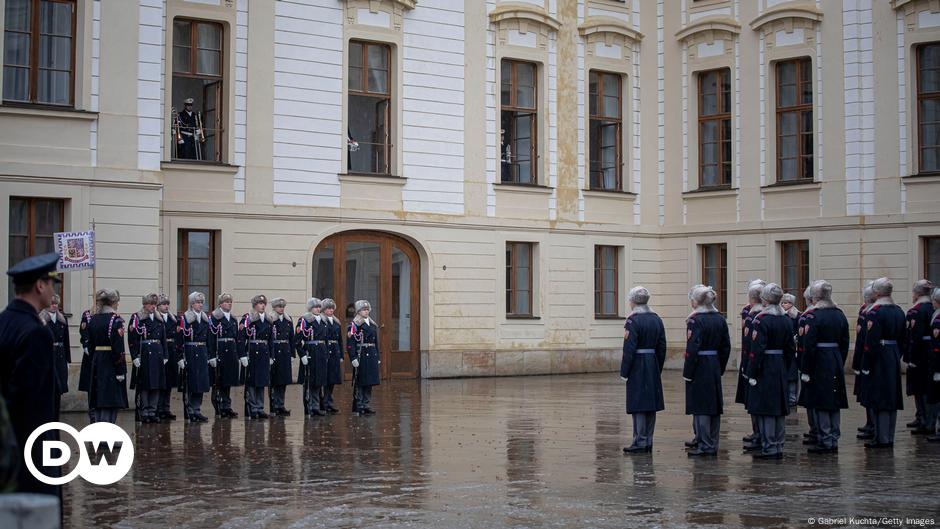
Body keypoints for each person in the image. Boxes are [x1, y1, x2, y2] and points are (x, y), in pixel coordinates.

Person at [0, 253, 61, 497]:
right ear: (40, 285)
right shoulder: (37, 333)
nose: (53, 291)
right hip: (31, 448)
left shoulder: (3, 321)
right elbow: (31, 402)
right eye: (52, 284)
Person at [800, 280, 850, 454]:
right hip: (835, 358)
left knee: (821, 400)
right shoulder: (839, 314)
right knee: (834, 401)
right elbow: (845, 342)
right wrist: (839, 359)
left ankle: (825, 438)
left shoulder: (815, 316)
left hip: (820, 361)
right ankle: (833, 437)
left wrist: (806, 369)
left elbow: (810, 345)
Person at [745, 283, 794, 459]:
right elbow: (790, 349)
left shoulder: (761, 320)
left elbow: (756, 349)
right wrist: (785, 367)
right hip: (780, 364)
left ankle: (769, 446)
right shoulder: (786, 319)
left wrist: (752, 372)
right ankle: (778, 444)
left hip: (765, 366)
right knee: (779, 408)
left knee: (765, 408)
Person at [683, 285, 731, 457]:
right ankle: (712, 442)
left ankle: (705, 444)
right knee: (714, 406)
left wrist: (687, 372)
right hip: (714, 364)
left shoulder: (696, 320)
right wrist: (720, 367)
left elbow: (692, 348)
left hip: (700, 365)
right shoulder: (720, 318)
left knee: (701, 405)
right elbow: (726, 346)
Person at [860, 277, 908, 448]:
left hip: (879, 356)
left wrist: (865, 364)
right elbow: (904, 338)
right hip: (893, 355)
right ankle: (889, 436)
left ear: (877, 292)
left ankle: (881, 437)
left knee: (879, 397)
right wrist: (896, 353)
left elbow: (870, 342)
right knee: (891, 398)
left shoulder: (875, 312)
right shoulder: (898, 310)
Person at [620, 286, 666, 454]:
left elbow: (629, 349)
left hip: (638, 364)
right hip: (652, 362)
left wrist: (625, 371)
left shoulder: (633, 321)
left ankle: (639, 440)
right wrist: (657, 366)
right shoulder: (656, 319)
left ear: (633, 301)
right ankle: (648, 439)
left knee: (638, 403)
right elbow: (662, 346)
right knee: (650, 404)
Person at [87, 288, 129, 424]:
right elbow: (118, 348)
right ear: (113, 302)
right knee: (110, 401)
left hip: (97, 360)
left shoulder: (93, 319)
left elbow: (90, 344)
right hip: (111, 362)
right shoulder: (115, 321)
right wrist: (120, 369)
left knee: (99, 399)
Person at [128, 293, 167, 423]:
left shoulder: (159, 318)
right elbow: (132, 339)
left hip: (157, 353)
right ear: (144, 304)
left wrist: (165, 355)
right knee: (145, 384)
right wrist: (134, 356)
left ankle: (152, 410)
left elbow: (163, 339)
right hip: (144, 353)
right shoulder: (137, 318)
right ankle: (144, 411)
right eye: (151, 304)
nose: (153, 307)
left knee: (156, 384)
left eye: (155, 304)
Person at [738, 279, 766, 449]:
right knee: (752, 399)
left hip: (757, 360)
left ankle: (762, 434)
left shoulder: (760, 316)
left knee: (759, 400)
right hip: (750, 358)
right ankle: (758, 432)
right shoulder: (748, 311)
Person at [905, 279, 935, 435]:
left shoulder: (916, 311)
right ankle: (922, 416)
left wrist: (910, 356)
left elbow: (914, 336)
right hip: (930, 353)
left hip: (920, 353)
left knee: (920, 387)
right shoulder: (932, 308)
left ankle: (924, 418)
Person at [179, 292, 211, 422]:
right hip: (190, 351)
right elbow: (180, 338)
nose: (200, 305)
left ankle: (197, 410)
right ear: (192, 304)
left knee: (201, 383)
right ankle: (189, 410)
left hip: (202, 351)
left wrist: (210, 355)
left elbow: (209, 338)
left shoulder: (204, 318)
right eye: (197, 302)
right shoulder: (185, 318)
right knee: (191, 383)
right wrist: (180, 356)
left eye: (202, 302)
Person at [208, 293, 241, 418]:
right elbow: (211, 338)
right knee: (219, 381)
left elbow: (236, 337)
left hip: (231, 351)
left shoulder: (233, 319)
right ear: (220, 303)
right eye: (226, 301)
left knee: (228, 381)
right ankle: (218, 406)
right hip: (220, 350)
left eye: (230, 301)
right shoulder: (215, 317)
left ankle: (227, 406)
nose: (229, 303)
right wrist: (211, 355)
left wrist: (238, 353)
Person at [241, 295, 273, 419]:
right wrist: (242, 355)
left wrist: (271, 355)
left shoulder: (268, 319)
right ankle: (252, 407)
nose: (263, 305)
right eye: (260, 303)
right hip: (253, 352)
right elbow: (241, 338)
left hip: (264, 352)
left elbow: (270, 339)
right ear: (254, 305)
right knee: (252, 382)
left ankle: (260, 407)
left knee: (262, 381)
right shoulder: (248, 319)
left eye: (264, 303)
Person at [853, 282, 877, 439]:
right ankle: (870, 422)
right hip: (862, 353)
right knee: (865, 392)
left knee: (872, 392)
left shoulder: (873, 312)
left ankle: (874, 424)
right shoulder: (864, 309)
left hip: (870, 355)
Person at [39, 293, 70, 410]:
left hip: (60, 355)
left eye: (56, 304)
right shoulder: (40, 318)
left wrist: (68, 360)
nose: (54, 306)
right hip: (47, 354)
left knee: (59, 387)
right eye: (52, 303)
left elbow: (66, 340)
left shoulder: (62, 319)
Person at [796, 286, 819, 446]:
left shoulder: (809, 317)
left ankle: (817, 430)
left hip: (812, 360)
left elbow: (806, 343)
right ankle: (817, 430)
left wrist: (803, 364)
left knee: (813, 398)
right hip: (829, 360)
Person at [348, 300, 379, 415]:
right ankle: (359, 404)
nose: (366, 312)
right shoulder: (355, 324)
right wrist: (353, 357)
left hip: (371, 354)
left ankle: (366, 403)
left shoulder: (372, 324)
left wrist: (378, 356)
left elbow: (376, 342)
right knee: (360, 381)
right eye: (363, 310)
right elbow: (350, 342)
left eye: (367, 309)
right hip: (361, 355)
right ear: (358, 311)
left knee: (369, 381)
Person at [296, 298, 326, 416]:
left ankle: (316, 405)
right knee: (310, 381)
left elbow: (326, 339)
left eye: (319, 307)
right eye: (315, 307)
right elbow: (297, 341)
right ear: (310, 308)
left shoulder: (323, 321)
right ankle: (309, 406)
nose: (318, 309)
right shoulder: (304, 321)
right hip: (311, 353)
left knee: (319, 381)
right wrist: (302, 354)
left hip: (321, 353)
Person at [269, 298, 295, 417]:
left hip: (285, 351)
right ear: (274, 307)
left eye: (283, 306)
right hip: (275, 350)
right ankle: (274, 405)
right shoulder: (270, 319)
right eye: (279, 306)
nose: (281, 308)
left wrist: (292, 354)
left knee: (283, 380)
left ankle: (281, 404)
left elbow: (291, 338)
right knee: (274, 380)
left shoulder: (288, 320)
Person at [156, 294, 179, 420]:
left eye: (167, 304)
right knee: (161, 381)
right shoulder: (157, 318)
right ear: (158, 306)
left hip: (172, 350)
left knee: (169, 381)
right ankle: (158, 408)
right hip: (160, 350)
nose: (166, 306)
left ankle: (166, 407)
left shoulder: (173, 319)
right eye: (163, 304)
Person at [321, 298, 343, 414]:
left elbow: (340, 339)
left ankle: (329, 400)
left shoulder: (336, 322)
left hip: (334, 350)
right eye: (328, 308)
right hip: (325, 349)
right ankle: (323, 401)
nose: (330, 310)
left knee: (332, 378)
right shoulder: (321, 321)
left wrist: (341, 354)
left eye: (332, 308)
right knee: (324, 377)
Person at [782, 293, 801, 408]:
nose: (784, 304)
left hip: (794, 347)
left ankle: (792, 396)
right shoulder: (781, 315)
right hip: (785, 347)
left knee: (792, 373)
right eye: (783, 302)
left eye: (787, 302)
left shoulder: (797, 315)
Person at [926, 287, 940, 442]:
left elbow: (936, 347)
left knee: (937, 398)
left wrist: (936, 368)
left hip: (938, 364)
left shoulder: (937, 320)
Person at [77, 306, 95, 422]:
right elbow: (83, 331)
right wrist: (86, 344)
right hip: (90, 356)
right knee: (91, 384)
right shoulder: (88, 315)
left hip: (102, 354)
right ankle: (92, 411)